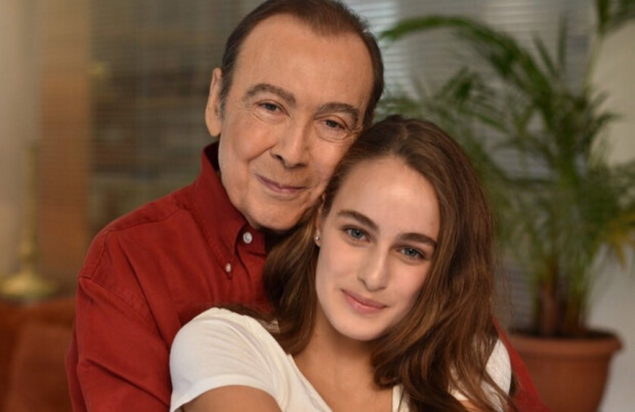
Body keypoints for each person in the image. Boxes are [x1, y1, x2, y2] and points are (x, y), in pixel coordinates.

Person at [66, 1, 545, 411]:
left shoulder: (416, 287)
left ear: (362, 141)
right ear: (217, 101)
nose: (293, 152)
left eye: (332, 123)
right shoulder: (132, 260)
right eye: (270, 106)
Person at [169, 116, 514, 412]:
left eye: (411, 252)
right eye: (357, 233)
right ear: (321, 219)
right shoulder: (223, 343)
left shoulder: (466, 356)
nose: (374, 276)